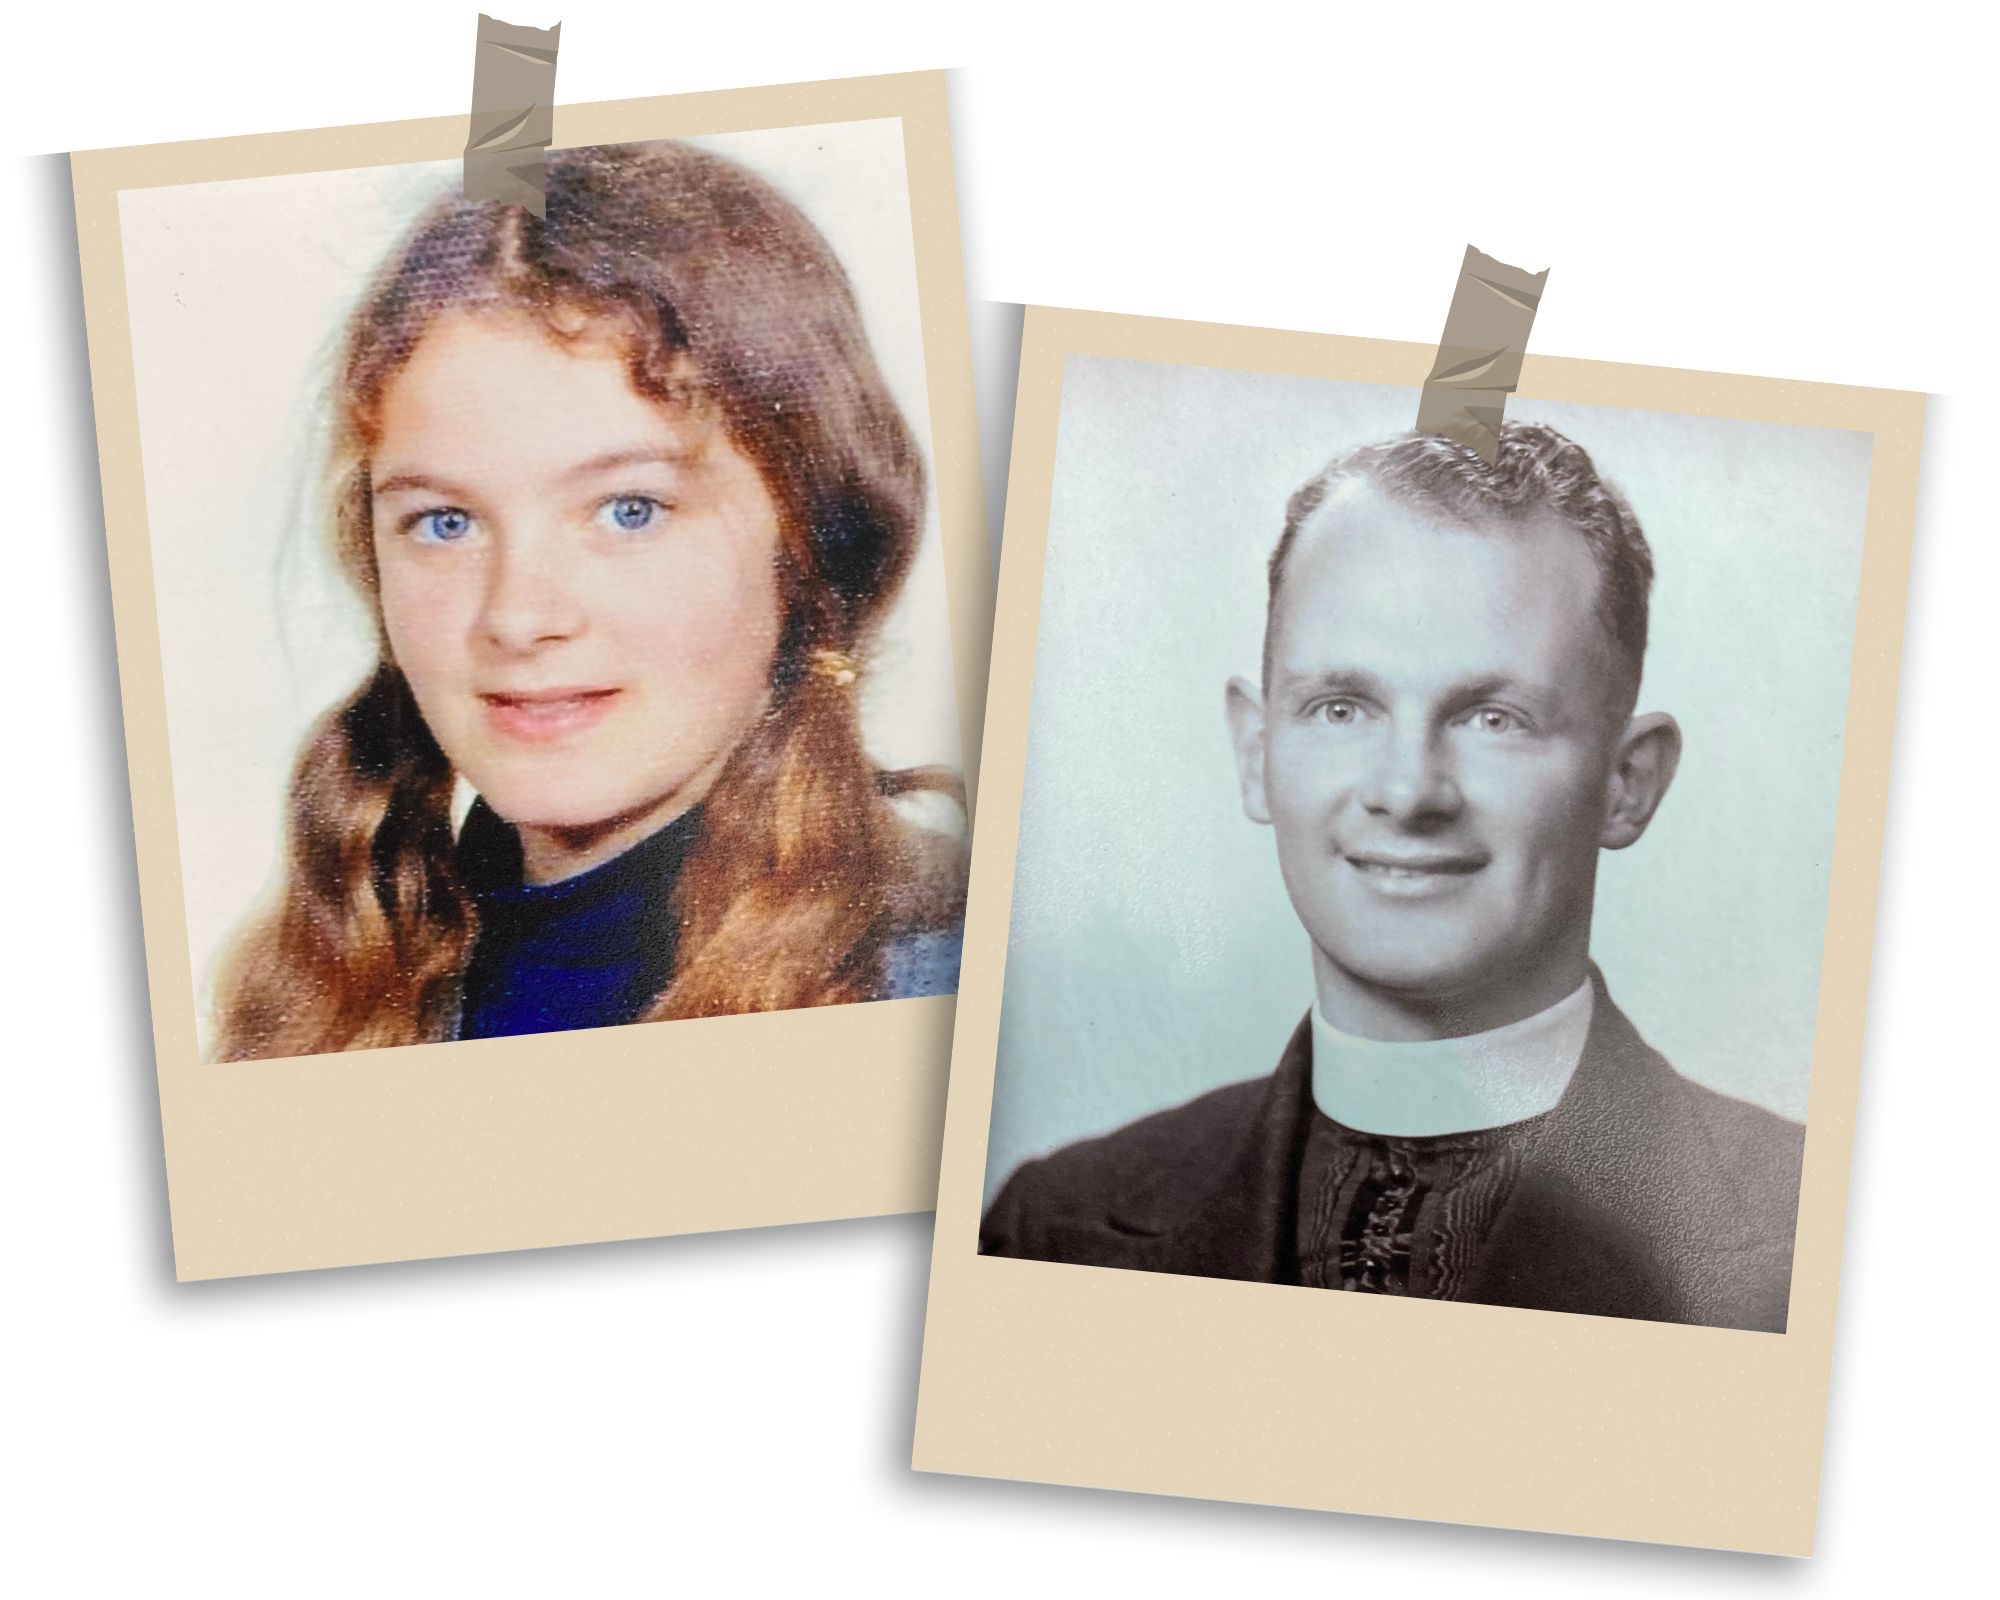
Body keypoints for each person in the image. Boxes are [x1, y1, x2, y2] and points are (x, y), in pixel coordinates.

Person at [980, 423, 1803, 1332]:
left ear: (1628, 781)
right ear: (1258, 753)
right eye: (1342, 708)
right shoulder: (1051, 1229)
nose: (1408, 791)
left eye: (1494, 717)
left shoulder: (1810, 1249)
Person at [212, 140, 966, 1063]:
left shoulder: (946, 988)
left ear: (809, 538)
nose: (519, 617)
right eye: (447, 521)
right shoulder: (323, 988)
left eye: (629, 510)